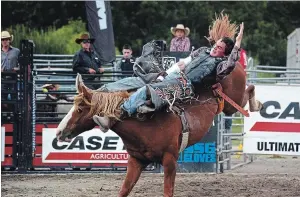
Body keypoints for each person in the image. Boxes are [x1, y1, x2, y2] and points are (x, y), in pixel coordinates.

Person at [93, 14, 244, 132]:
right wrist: (165, 73)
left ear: (224, 53)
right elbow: (184, 61)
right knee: (140, 82)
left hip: (185, 86)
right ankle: (104, 92)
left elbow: (231, 64)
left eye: (219, 48)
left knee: (147, 90)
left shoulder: (220, 65)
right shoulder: (202, 51)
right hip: (175, 76)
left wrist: (237, 44)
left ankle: (112, 118)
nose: (215, 48)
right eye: (216, 45)